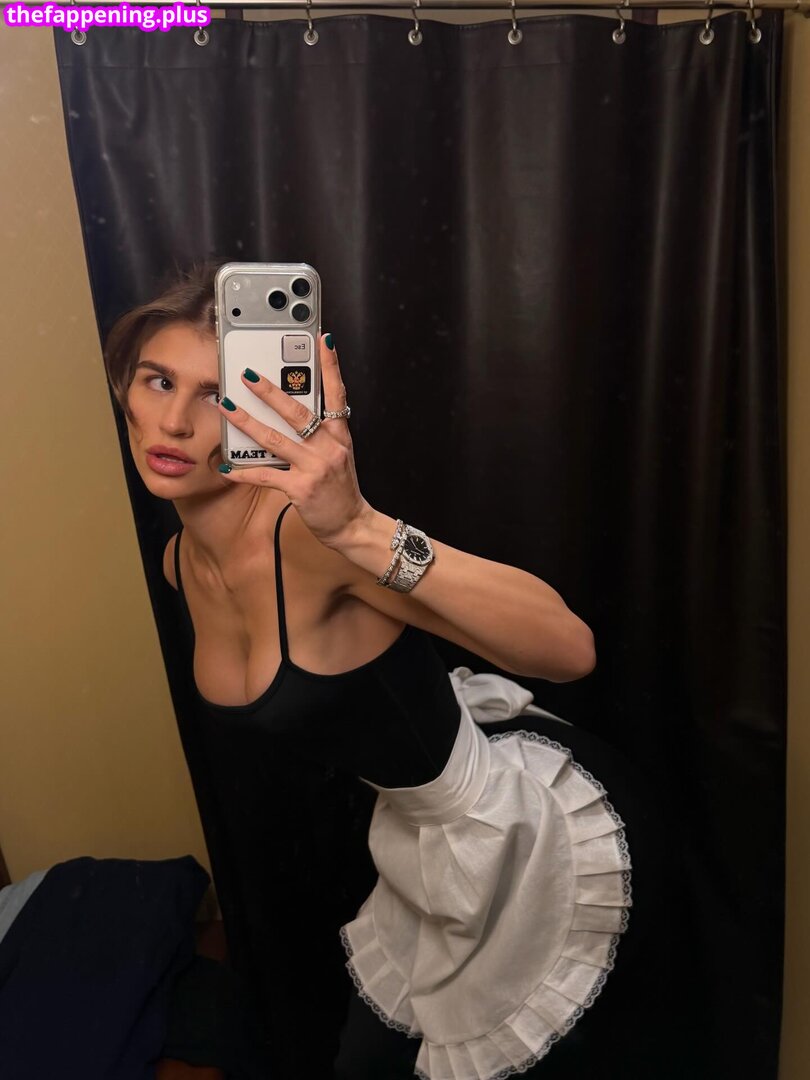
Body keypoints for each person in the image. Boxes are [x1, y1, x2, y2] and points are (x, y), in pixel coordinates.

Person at [103, 261, 677, 1080]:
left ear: (266, 405)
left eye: (217, 393)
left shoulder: (311, 542)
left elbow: (568, 649)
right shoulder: (177, 563)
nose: (174, 422)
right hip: (412, 846)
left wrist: (360, 529)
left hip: (513, 842)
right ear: (125, 385)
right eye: (159, 380)